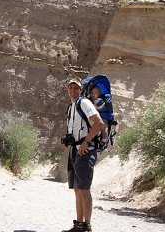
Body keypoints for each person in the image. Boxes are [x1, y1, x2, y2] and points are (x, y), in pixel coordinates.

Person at [62, 79, 105, 232]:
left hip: (85, 151)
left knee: (84, 189)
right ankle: (78, 224)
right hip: (75, 150)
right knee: (77, 188)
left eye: (76, 88)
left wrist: (86, 142)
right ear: (68, 90)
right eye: (70, 88)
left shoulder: (84, 103)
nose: (73, 90)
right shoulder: (71, 107)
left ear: (80, 90)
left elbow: (98, 123)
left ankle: (87, 226)